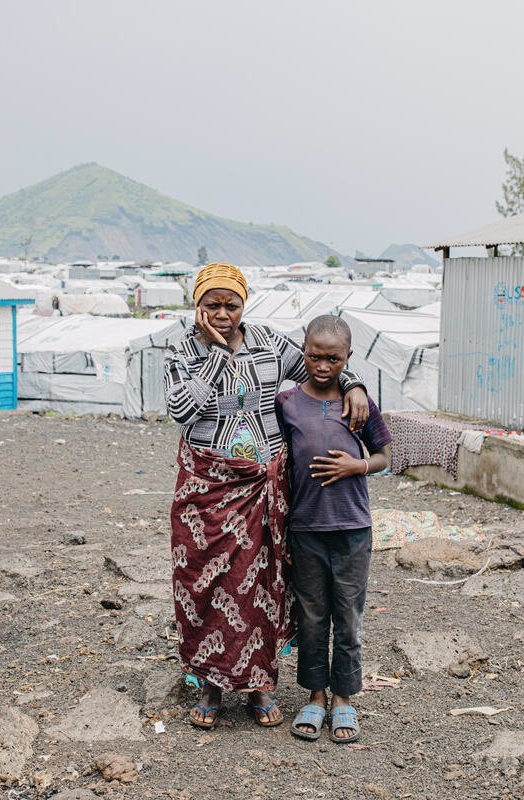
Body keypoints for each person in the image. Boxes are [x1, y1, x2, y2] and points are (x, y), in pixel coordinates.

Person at [164, 263, 370, 730]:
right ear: (197, 305)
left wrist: (354, 384)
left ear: (244, 304)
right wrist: (216, 354)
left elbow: (322, 367)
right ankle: (212, 688)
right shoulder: (180, 351)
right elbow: (181, 409)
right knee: (207, 584)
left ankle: (260, 686)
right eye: (212, 304)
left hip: (265, 486)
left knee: (262, 583)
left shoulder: (268, 343)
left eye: (231, 304)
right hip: (208, 489)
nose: (222, 313)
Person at [276, 315, 392, 744]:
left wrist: (357, 465)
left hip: (352, 527)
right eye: (314, 356)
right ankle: (316, 694)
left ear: (348, 359)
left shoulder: (358, 403)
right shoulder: (286, 402)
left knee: (348, 615)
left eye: (333, 358)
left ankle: (344, 697)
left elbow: (385, 456)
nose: (323, 366)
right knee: (311, 615)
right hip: (305, 526)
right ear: (303, 351)